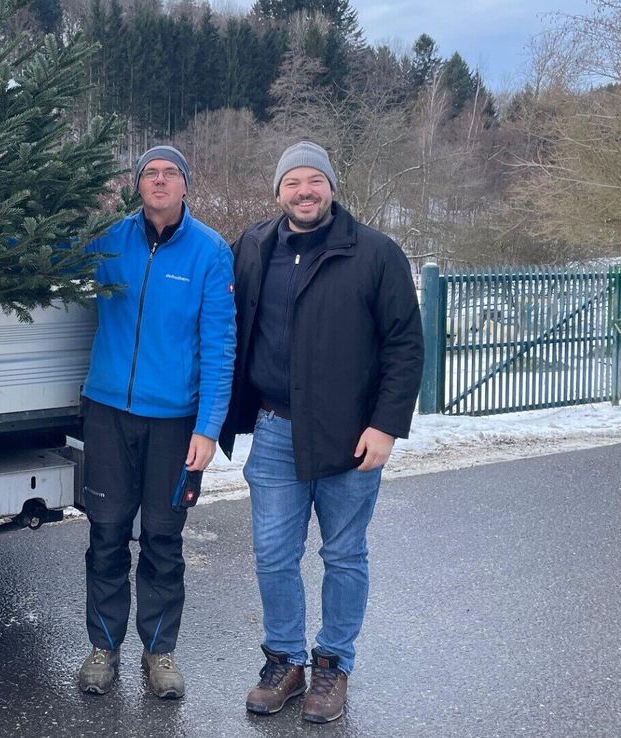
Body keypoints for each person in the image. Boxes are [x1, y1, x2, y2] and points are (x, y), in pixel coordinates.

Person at [218, 141, 423, 723]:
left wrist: (386, 425)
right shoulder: (253, 247)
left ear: (331, 187)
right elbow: (223, 318)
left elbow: (405, 345)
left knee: (344, 553)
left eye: (314, 181)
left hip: (351, 437)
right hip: (276, 429)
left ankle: (332, 665)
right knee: (273, 555)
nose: (304, 192)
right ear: (278, 190)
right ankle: (284, 660)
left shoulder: (376, 253)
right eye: (293, 183)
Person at [77, 145, 236, 699]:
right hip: (108, 415)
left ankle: (160, 652)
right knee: (106, 534)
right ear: (138, 185)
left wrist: (208, 427)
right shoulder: (110, 240)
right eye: (151, 172)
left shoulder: (210, 253)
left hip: (174, 423)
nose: (161, 180)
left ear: (186, 185)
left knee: (164, 542)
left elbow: (220, 346)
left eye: (171, 172)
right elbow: (45, 248)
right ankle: (103, 647)